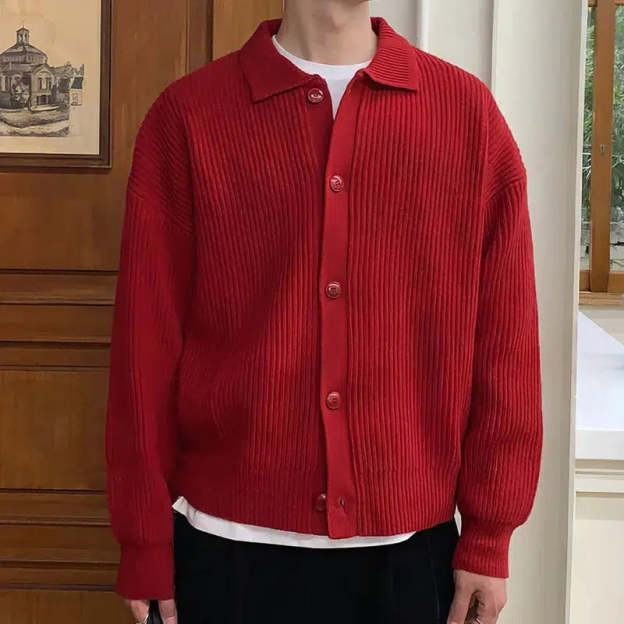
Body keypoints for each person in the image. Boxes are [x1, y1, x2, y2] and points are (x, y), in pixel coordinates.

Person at [105, 1, 543, 623]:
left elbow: (507, 344)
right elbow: (144, 352)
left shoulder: (467, 117)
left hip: (408, 554)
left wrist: (489, 534)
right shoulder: (188, 118)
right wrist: (144, 543)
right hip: (226, 551)